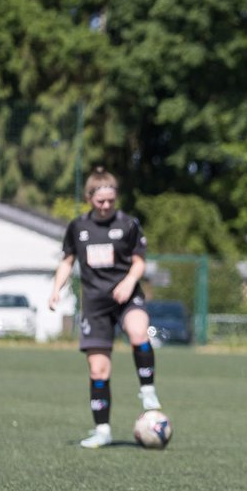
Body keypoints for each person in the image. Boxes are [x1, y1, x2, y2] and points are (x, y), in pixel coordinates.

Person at [49, 167, 161, 448]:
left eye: (111, 200)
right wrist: (55, 290)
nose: (106, 205)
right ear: (89, 198)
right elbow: (67, 261)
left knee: (138, 333)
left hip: (126, 297)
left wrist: (128, 282)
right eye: (101, 201)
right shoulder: (78, 227)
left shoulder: (128, 224)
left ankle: (147, 391)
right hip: (95, 303)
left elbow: (139, 262)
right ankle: (102, 431)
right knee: (98, 370)